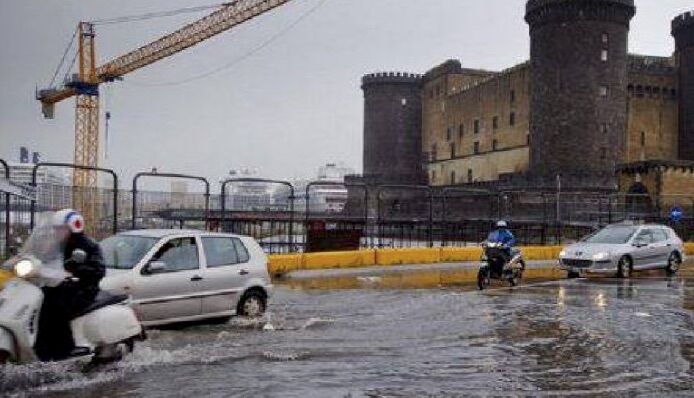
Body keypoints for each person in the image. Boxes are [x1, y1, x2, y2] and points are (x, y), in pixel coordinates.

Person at [34, 209, 106, 361]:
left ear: (74, 226)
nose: (56, 232)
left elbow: (98, 269)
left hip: (84, 289)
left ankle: (64, 350)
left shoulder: (88, 245)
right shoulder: (56, 245)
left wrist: (76, 269)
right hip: (61, 286)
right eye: (55, 228)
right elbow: (42, 259)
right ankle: (37, 345)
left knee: (55, 307)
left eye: (61, 228)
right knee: (38, 300)